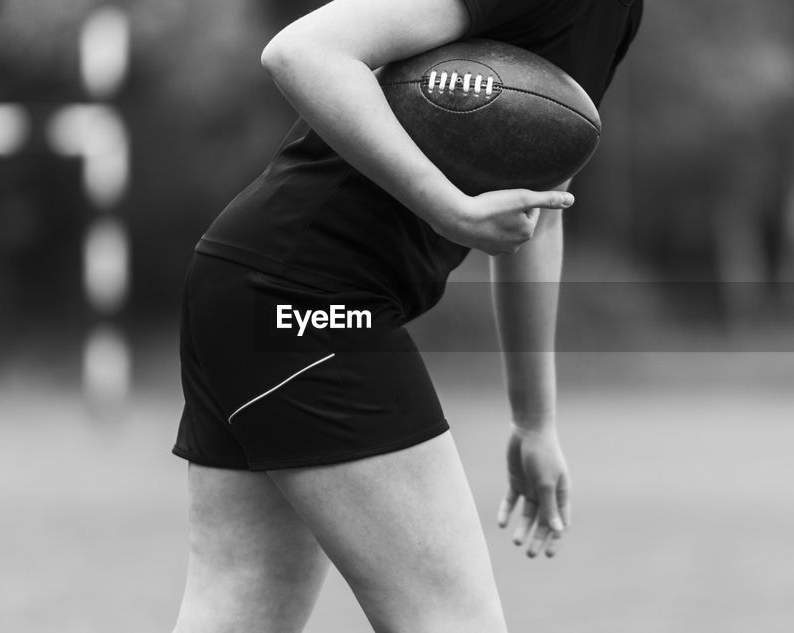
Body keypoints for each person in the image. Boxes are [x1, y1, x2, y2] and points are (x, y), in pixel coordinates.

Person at [170, 0, 642, 631]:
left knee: (242, 605)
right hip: (305, 295)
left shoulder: (618, 12)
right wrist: (449, 208)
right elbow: (304, 51)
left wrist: (535, 420)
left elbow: (541, 198)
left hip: (254, 285)